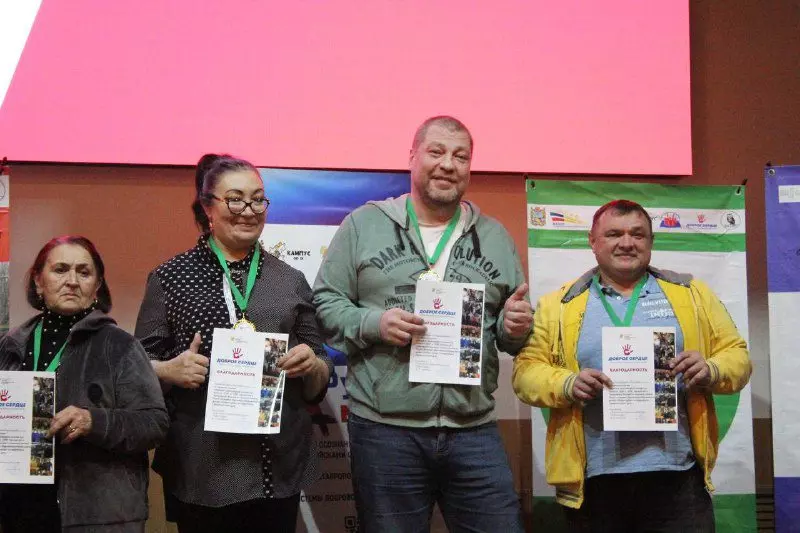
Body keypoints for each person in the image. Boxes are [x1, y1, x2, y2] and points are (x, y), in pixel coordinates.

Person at [313, 116, 532, 532]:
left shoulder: (495, 237)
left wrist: (515, 327)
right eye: (436, 152)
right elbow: (324, 303)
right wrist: (374, 323)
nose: (448, 164)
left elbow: (508, 334)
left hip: (473, 428)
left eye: (460, 156)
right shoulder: (363, 225)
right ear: (412, 156)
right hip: (385, 432)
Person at [512, 199, 752, 532]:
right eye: (614, 234)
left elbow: (737, 355)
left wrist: (711, 369)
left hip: (678, 475)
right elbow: (525, 372)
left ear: (651, 242)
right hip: (593, 480)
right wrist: (567, 384)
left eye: (637, 234)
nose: (626, 243)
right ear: (592, 242)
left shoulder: (692, 294)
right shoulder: (558, 305)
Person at [135, 154, 332, 532]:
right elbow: (137, 363)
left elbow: (319, 375)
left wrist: (312, 364)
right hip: (202, 464)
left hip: (277, 464)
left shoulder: (289, 279)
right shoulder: (170, 277)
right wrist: (168, 370)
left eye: (258, 200)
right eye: (235, 200)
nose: (249, 211)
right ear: (207, 207)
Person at [0, 236, 168, 532]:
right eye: (60, 269)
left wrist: (93, 421)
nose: (72, 281)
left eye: (84, 272)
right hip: (19, 506)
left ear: (97, 286)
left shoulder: (120, 346)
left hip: (96, 514)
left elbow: (154, 424)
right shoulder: (10, 344)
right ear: (38, 281)